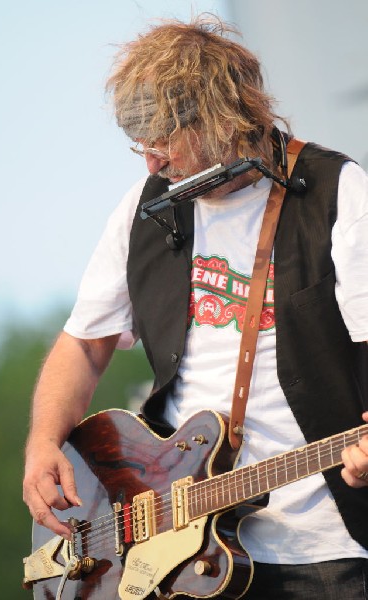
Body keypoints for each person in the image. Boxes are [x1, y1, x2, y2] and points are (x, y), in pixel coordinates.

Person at [23, 14, 368, 599]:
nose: (152, 164)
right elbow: (85, 341)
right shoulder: (144, 206)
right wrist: (43, 443)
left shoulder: (338, 191)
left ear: (222, 119)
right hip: (175, 550)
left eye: (164, 145)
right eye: (143, 146)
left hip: (322, 546)